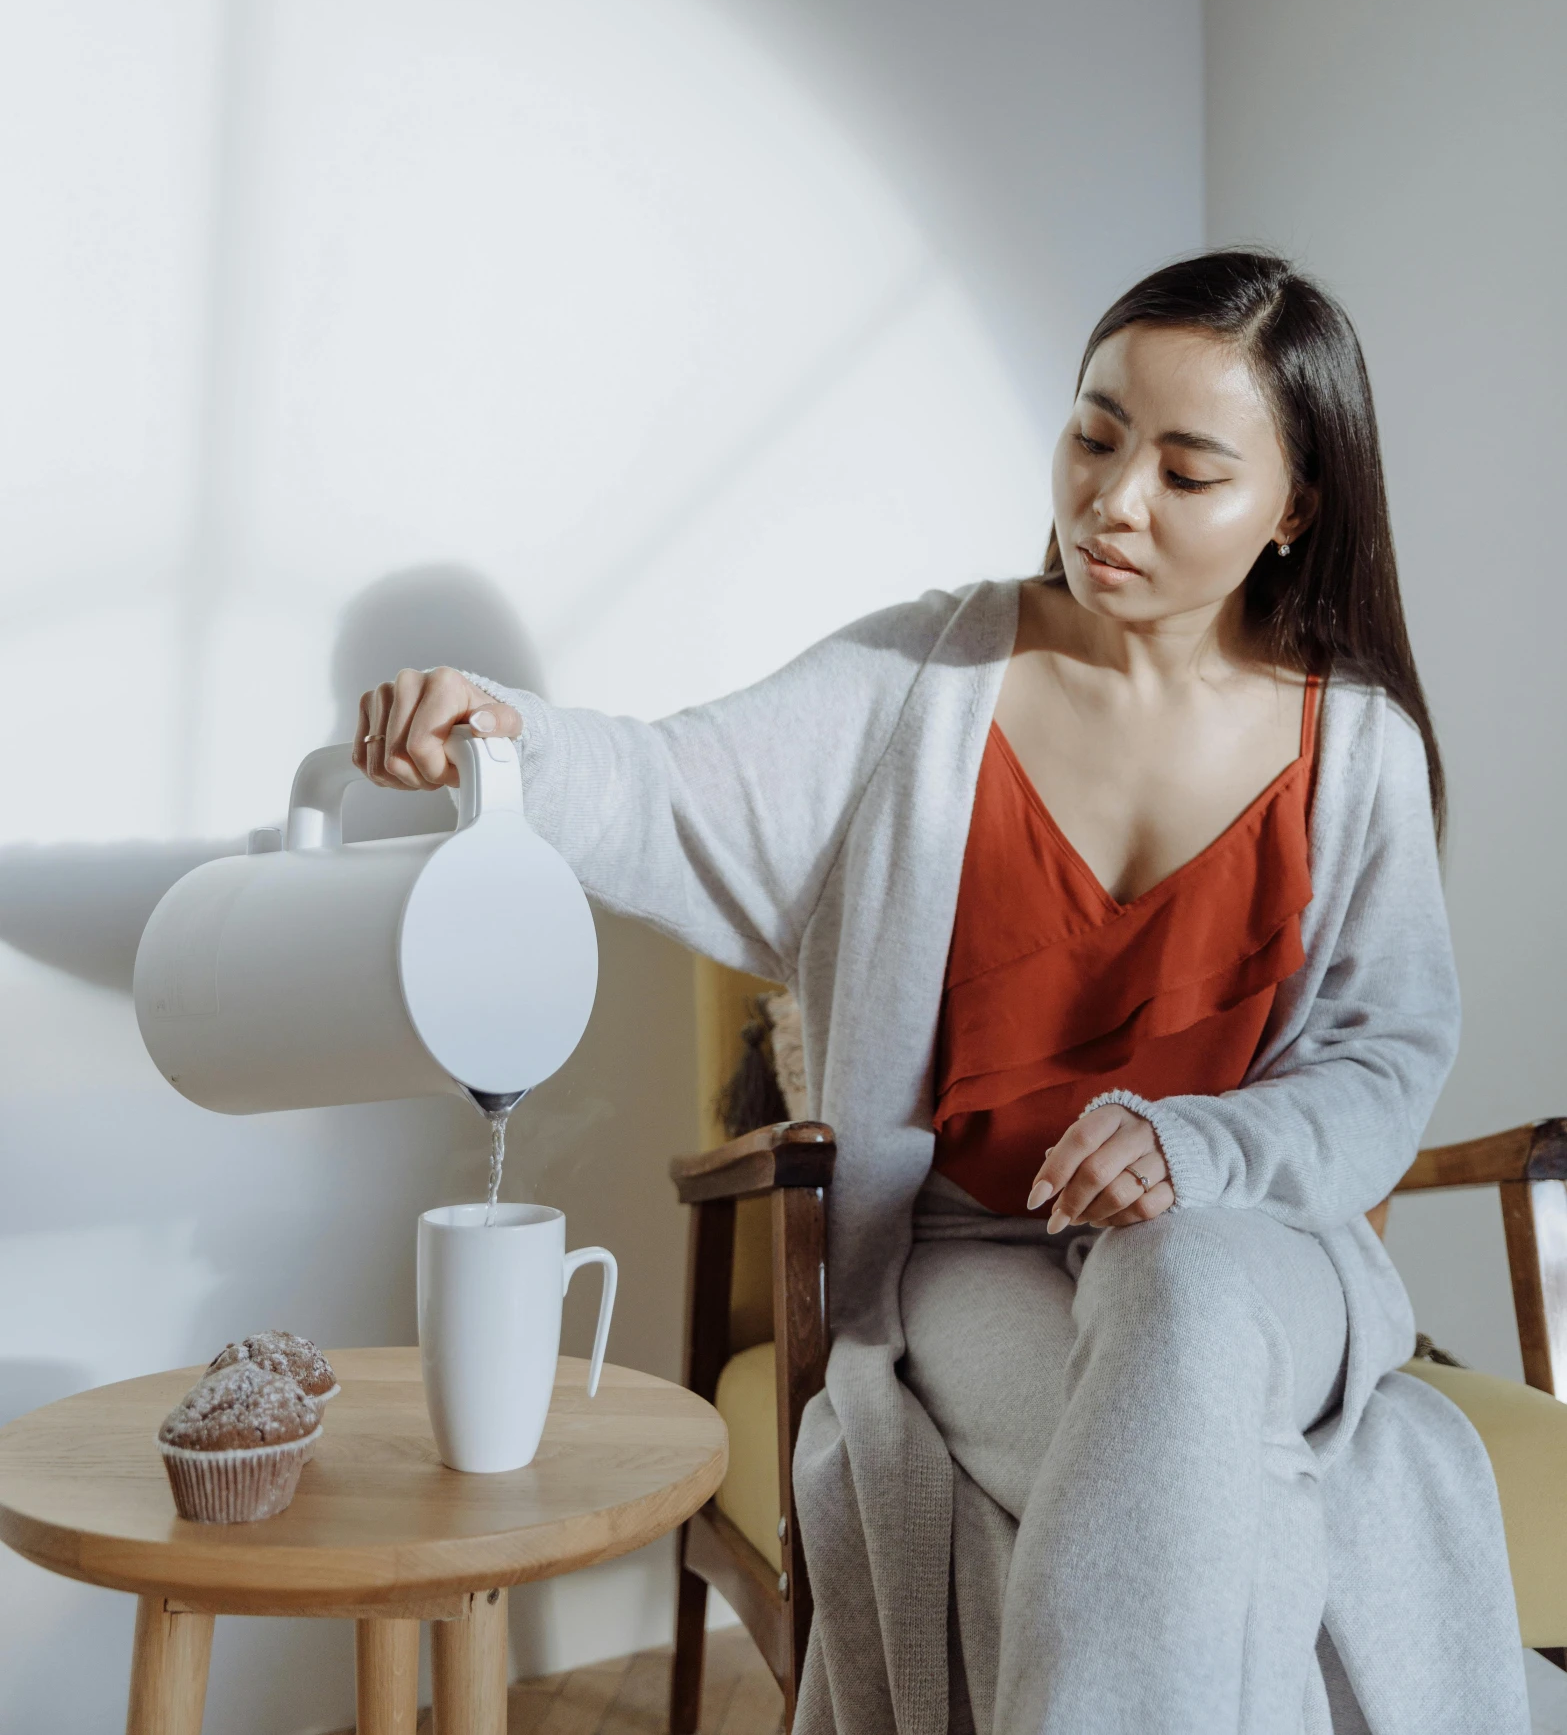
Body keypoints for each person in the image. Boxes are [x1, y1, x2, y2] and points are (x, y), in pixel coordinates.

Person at [354, 251, 1526, 1735]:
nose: (1112, 499)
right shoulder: (923, 678)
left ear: (1291, 508)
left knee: (1183, 1280)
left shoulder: (1356, 750)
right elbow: (671, 787)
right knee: (1216, 1501)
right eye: (1094, 434)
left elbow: (1381, 1057)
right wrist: (502, 740)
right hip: (978, 1259)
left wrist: (1199, 1151)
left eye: (1185, 469)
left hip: (1260, 1250)